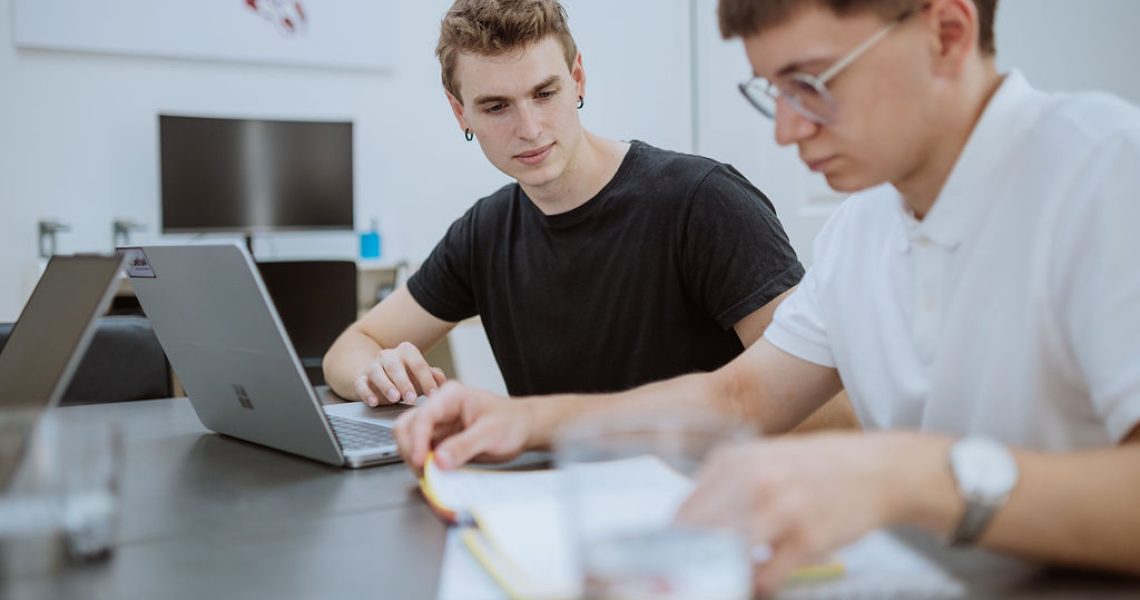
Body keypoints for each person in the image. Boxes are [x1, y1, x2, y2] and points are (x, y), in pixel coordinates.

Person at [393, 0, 1140, 593]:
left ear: (945, 32)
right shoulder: (861, 232)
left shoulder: (1103, 170)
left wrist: (901, 474)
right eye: (773, 91)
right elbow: (739, 401)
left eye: (812, 81)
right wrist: (519, 419)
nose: (786, 128)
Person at [323, 0, 854, 430]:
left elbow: (834, 407)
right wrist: (377, 372)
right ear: (460, 111)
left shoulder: (703, 202)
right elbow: (348, 349)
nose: (529, 127)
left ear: (577, 79)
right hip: (558, 509)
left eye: (545, 92)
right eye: (495, 106)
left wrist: (552, 422)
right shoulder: (485, 231)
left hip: (709, 514)